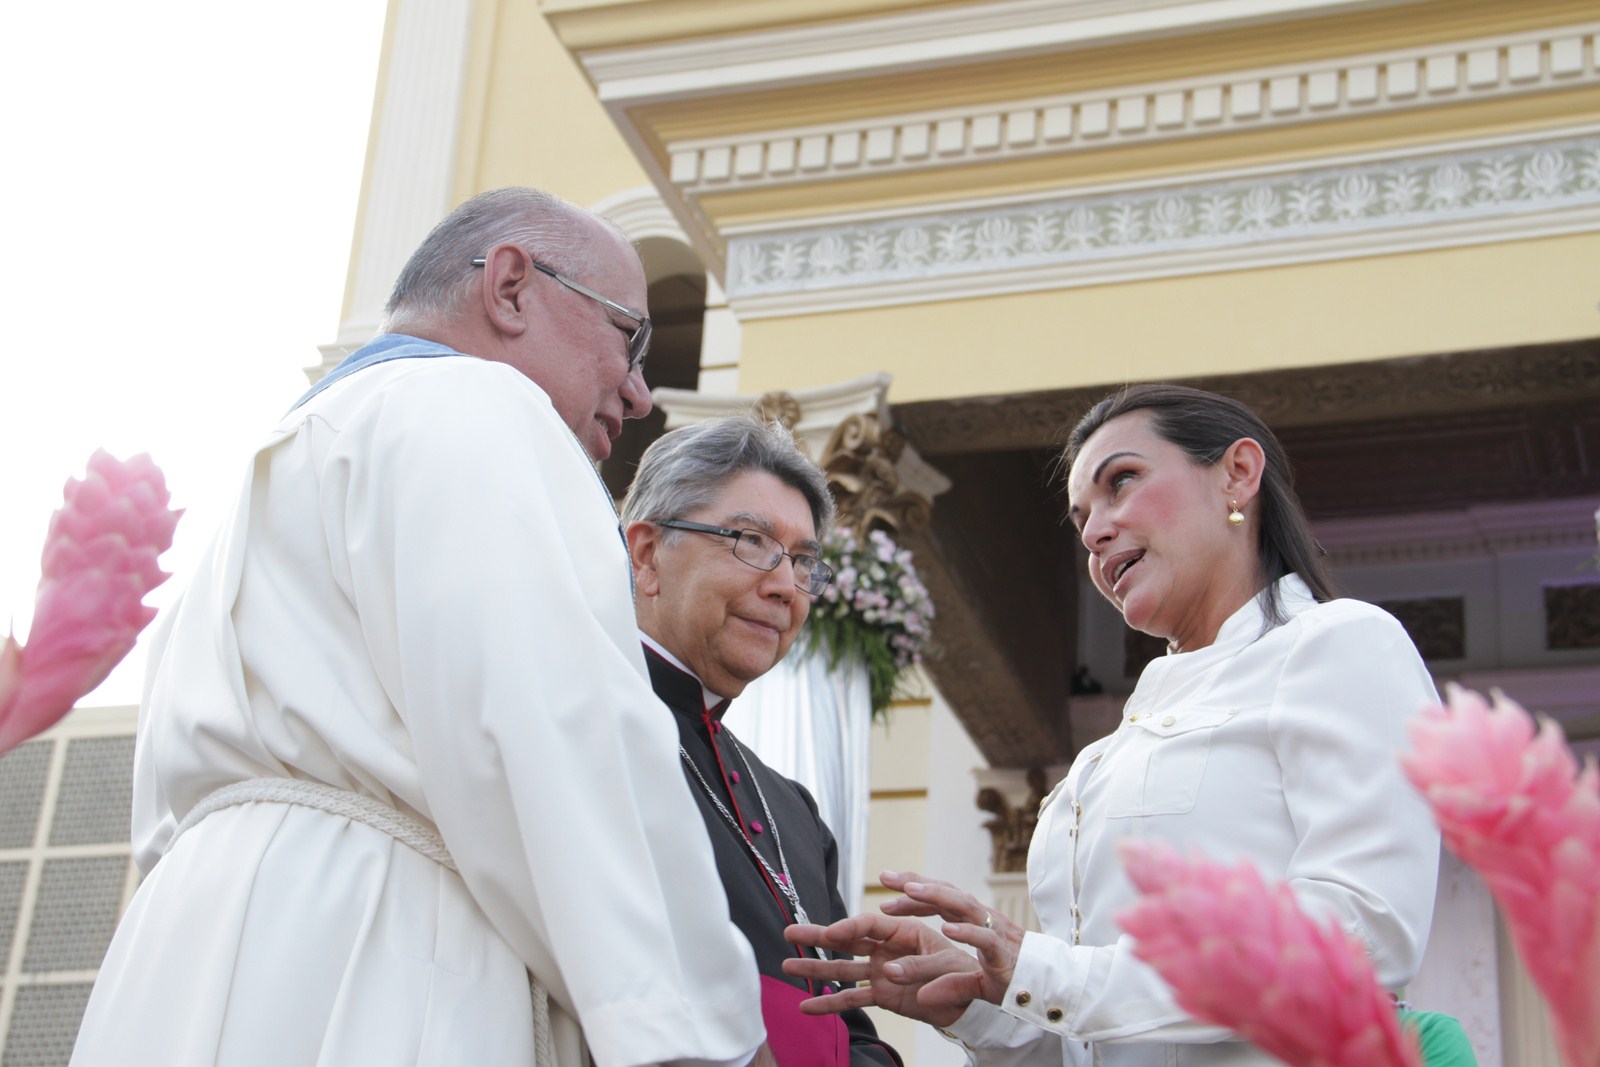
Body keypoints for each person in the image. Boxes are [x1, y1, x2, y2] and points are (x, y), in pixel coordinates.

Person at [72, 188, 774, 1067]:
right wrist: (709, 1036)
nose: (636, 393)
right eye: (628, 338)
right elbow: (560, 736)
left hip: (183, 972)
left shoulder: (276, 477)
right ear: (512, 287)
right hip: (383, 959)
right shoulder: (478, 408)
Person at [784, 384, 1442, 1066]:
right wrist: (979, 998)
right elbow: (1096, 1039)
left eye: (1121, 481)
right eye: (1081, 517)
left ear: (1238, 475)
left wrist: (1044, 972)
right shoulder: (1101, 763)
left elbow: (1364, 936)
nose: (1094, 532)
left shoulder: (1339, 643)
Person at [621, 415, 903, 1067]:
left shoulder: (793, 810)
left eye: (803, 561)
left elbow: (846, 1025)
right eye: (750, 540)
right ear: (646, 554)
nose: (783, 586)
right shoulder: (583, 734)